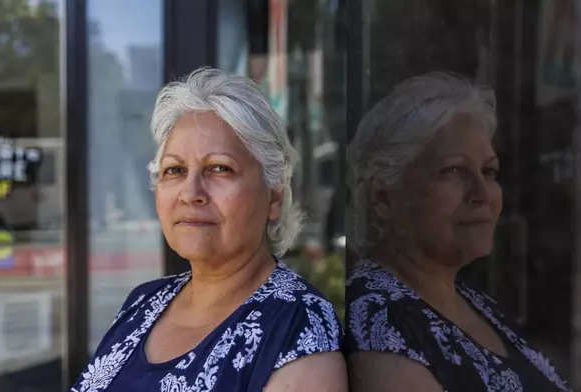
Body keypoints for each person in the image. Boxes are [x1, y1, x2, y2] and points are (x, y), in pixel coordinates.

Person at [71, 67, 347, 392]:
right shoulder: (143, 303)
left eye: (219, 168)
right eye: (174, 170)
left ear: (275, 195)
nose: (191, 193)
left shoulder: (295, 328)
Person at [345, 72, 571, 391]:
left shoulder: (469, 299)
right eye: (453, 170)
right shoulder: (379, 325)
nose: (482, 193)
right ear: (382, 197)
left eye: (489, 171)